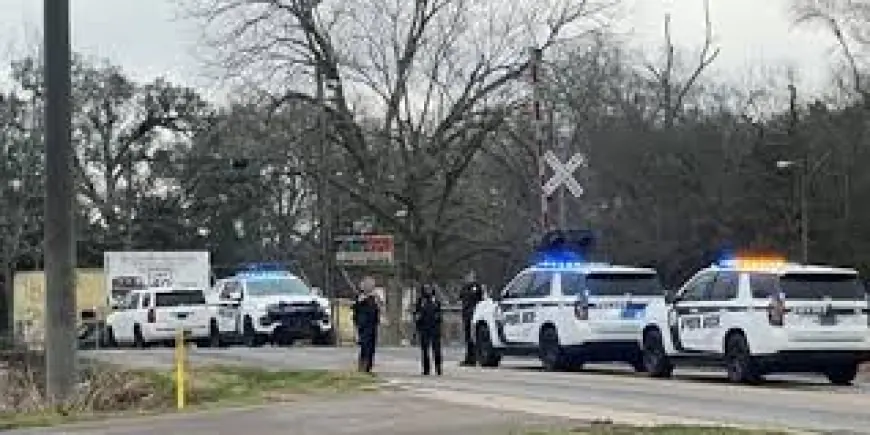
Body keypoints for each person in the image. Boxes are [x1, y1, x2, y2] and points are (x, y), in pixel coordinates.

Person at [352, 276, 381, 373]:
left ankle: (368, 367)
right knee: (365, 346)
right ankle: (362, 366)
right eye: (367, 285)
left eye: (371, 285)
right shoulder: (360, 297)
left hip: (372, 325)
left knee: (372, 347)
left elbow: (378, 309)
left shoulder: (374, 298)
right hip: (363, 325)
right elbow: (355, 310)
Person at [414, 283, 443, 376]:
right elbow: (417, 313)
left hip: (435, 328)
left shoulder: (436, 300)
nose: (428, 291)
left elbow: (439, 313)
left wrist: (438, 318)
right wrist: (418, 324)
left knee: (437, 349)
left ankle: (438, 368)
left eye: (429, 289)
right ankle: (426, 369)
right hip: (424, 328)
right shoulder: (420, 301)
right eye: (426, 289)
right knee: (425, 350)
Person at [458, 270, 483, 366]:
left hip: (475, 314)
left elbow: (479, 299)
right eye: (468, 276)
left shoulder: (476, 287)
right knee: (468, 338)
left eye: (471, 276)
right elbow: (461, 298)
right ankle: (469, 358)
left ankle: (476, 357)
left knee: (474, 337)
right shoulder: (464, 287)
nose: (469, 278)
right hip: (466, 314)